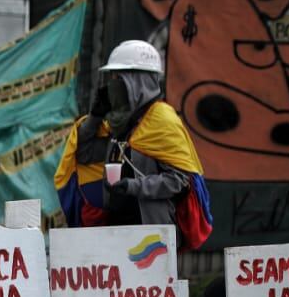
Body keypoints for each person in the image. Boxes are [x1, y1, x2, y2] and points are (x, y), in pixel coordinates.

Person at [53, 40, 213, 249]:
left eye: (119, 77)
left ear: (138, 81)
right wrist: (95, 117)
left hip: (152, 237)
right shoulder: (118, 123)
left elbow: (179, 182)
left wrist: (133, 186)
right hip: (116, 232)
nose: (112, 82)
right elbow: (84, 155)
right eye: (111, 76)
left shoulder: (161, 120)